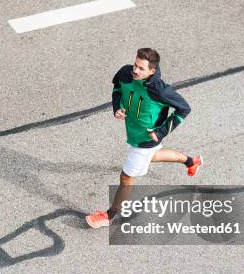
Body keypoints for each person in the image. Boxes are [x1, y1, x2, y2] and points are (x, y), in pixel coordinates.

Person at [86, 48, 203, 228]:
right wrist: (117, 107)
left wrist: (162, 132)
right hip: (134, 133)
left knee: (126, 177)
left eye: (141, 68)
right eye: (135, 65)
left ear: (152, 71)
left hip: (145, 140)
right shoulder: (125, 73)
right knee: (154, 155)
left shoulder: (160, 91)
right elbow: (117, 88)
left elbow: (184, 109)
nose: (135, 70)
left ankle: (109, 216)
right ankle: (190, 161)